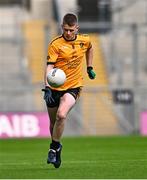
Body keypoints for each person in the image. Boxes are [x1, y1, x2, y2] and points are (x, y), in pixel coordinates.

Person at [42, 13, 96, 168]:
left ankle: (53, 148)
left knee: (61, 115)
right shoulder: (55, 44)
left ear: (76, 28)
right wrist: (47, 87)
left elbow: (90, 49)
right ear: (62, 27)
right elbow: (49, 67)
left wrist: (89, 67)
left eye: (71, 30)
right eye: (65, 29)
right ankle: (57, 147)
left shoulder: (85, 40)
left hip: (73, 86)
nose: (68, 33)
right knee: (53, 123)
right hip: (54, 87)